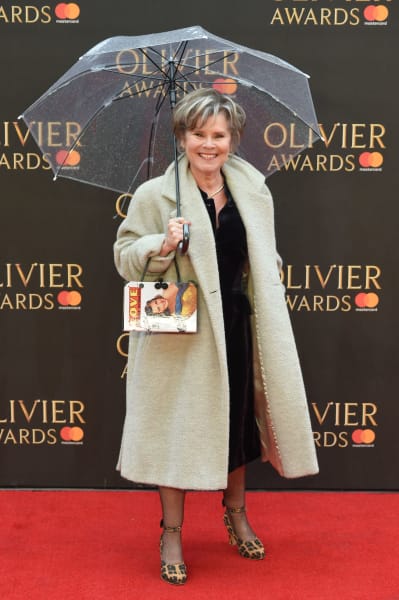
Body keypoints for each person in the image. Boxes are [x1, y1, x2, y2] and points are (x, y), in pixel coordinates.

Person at [114, 88, 318, 585]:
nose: (209, 144)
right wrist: (161, 245)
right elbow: (124, 257)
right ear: (182, 137)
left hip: (235, 322)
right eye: (199, 134)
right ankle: (172, 533)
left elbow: (259, 252)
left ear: (233, 139)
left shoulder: (252, 190)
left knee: (236, 426)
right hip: (180, 330)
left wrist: (267, 270)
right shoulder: (155, 195)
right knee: (175, 430)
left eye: (219, 135)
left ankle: (237, 512)